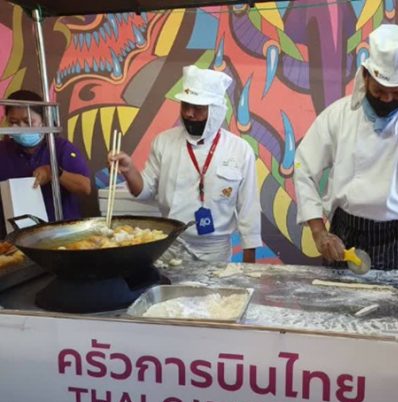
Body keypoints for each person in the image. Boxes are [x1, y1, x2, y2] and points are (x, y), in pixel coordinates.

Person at [294, 25, 398, 289]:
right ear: (365, 76)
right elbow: (304, 169)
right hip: (346, 235)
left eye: (397, 93)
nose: (387, 99)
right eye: (380, 91)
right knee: (338, 305)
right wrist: (319, 232)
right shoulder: (338, 116)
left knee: (397, 310)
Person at [110, 65, 262, 263]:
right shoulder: (163, 142)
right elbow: (144, 191)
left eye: (198, 108)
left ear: (215, 111)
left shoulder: (240, 150)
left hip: (214, 250)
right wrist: (129, 170)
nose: (189, 114)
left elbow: (249, 208)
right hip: (170, 245)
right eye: (185, 106)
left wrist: (249, 266)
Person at [0, 90, 91, 221]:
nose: (21, 127)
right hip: (14, 228)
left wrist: (53, 172)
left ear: (43, 121)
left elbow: (85, 188)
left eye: (28, 122)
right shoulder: (3, 150)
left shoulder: (61, 148)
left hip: (60, 226)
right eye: (14, 122)